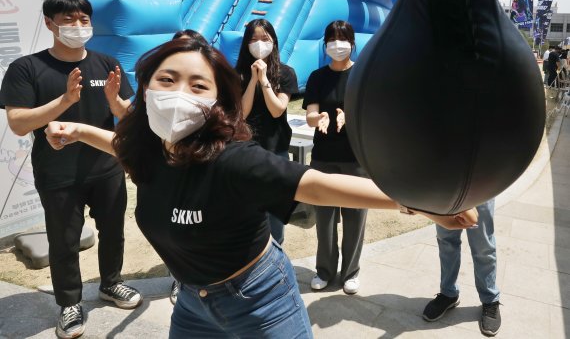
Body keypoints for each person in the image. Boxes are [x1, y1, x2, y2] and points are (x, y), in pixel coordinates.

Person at [44, 37, 478, 338]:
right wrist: (80, 130)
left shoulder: (233, 160)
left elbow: (320, 187)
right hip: (193, 302)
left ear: (216, 102)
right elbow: (122, 148)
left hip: (259, 298)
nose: (178, 93)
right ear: (147, 86)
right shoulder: (154, 149)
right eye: (166, 79)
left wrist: (418, 204)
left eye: (198, 85)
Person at [0, 0, 142, 339]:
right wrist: (64, 100)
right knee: (63, 240)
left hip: (106, 168)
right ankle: (69, 303)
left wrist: (116, 103)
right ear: (49, 23)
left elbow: (129, 115)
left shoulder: (107, 63)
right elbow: (18, 122)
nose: (78, 27)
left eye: (83, 20)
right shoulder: (27, 68)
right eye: (68, 20)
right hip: (57, 173)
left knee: (114, 232)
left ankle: (111, 283)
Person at [302, 20, 368, 295]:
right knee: (325, 219)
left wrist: (348, 116)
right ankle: (325, 271)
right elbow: (309, 116)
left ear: (352, 43)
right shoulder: (318, 77)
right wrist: (320, 117)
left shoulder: (363, 75)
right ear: (325, 44)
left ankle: (351, 272)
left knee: (354, 216)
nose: (337, 44)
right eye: (332, 39)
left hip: (355, 158)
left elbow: (371, 115)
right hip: (324, 158)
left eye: (342, 39)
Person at [235, 18, 298, 245]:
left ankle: (276, 261)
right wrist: (252, 80)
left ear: (274, 41)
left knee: (275, 216)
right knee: (246, 210)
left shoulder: (285, 73)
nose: (259, 44)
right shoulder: (238, 74)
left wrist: (263, 80)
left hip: (275, 151)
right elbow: (242, 112)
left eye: (265, 39)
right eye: (253, 39)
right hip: (245, 150)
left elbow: (277, 110)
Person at [167, 28, 209, 306]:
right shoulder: (162, 86)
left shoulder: (208, 83)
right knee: (174, 225)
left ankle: (201, 275)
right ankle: (178, 277)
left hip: (203, 164)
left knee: (204, 224)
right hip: (171, 167)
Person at [423, 200, 501, 337]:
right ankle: (448, 293)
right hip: (447, 188)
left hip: (480, 185)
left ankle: (490, 300)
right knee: (446, 242)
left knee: (483, 247)